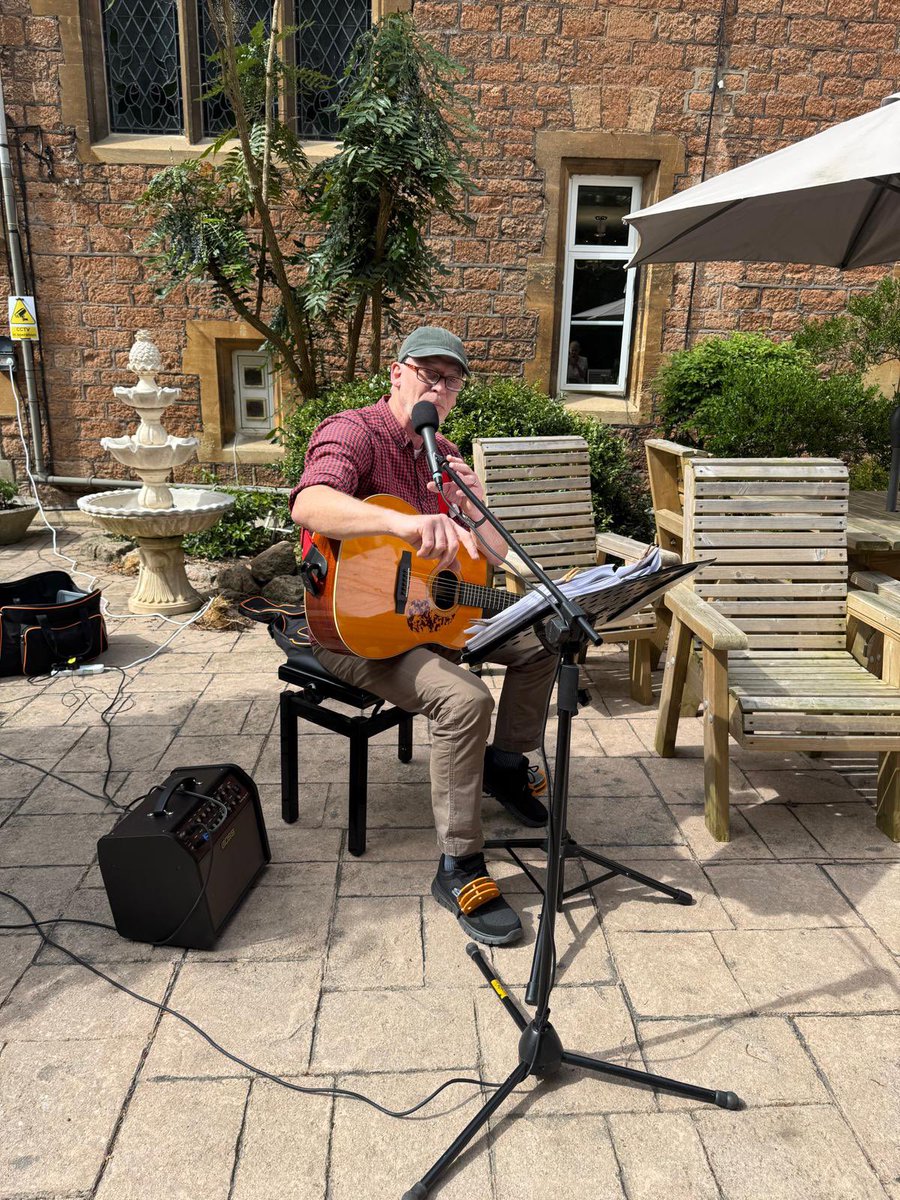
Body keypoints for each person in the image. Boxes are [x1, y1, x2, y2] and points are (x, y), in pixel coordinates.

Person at [290, 326, 559, 946]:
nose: (439, 388)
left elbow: (493, 554)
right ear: (398, 374)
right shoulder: (354, 432)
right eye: (428, 374)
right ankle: (459, 864)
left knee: (542, 640)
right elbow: (310, 504)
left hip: (431, 618)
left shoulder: (444, 454)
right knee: (465, 700)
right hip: (353, 633)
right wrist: (404, 523)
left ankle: (506, 764)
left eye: (452, 379)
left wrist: (475, 499)